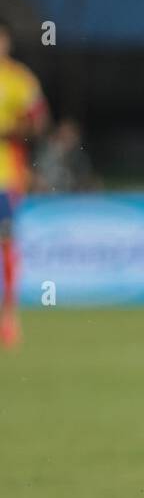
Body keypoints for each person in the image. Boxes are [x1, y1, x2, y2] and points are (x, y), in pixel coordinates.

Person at [0, 19, 50, 348]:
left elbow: (39, 121)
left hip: (4, 176)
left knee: (5, 243)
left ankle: (8, 317)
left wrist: (15, 130)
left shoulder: (18, 80)